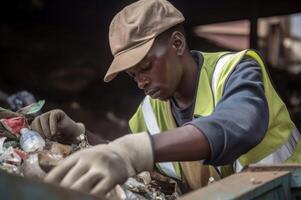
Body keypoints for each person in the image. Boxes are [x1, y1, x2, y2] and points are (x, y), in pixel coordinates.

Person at [31, 0, 301, 198]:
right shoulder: (150, 111)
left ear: (177, 44)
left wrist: (133, 151)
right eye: (132, 75)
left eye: (146, 66)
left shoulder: (235, 69)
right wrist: (80, 135)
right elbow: (139, 158)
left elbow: (238, 125)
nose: (141, 82)